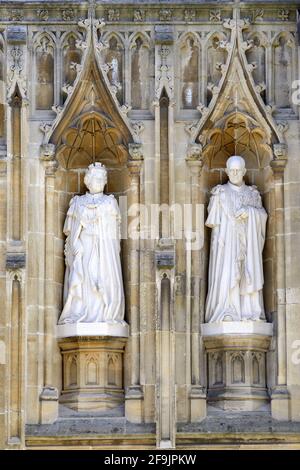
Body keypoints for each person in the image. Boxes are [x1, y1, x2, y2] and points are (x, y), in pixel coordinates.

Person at [58, 162, 125, 324]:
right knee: (85, 278)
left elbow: (115, 233)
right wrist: (76, 244)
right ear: (88, 180)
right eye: (97, 177)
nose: (101, 181)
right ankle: (80, 312)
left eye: (103, 178)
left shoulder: (110, 202)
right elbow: (70, 230)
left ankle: (105, 314)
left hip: (104, 250)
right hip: (84, 248)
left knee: (102, 277)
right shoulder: (77, 203)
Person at [205, 156, 268, 323]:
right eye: (231, 170)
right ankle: (227, 310)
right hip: (227, 245)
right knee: (227, 274)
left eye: (237, 170)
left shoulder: (253, 194)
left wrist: (251, 212)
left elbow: (263, 216)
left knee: (248, 271)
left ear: (244, 171)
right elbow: (214, 224)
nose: (234, 173)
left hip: (248, 243)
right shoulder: (220, 193)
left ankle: (249, 311)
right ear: (226, 171)